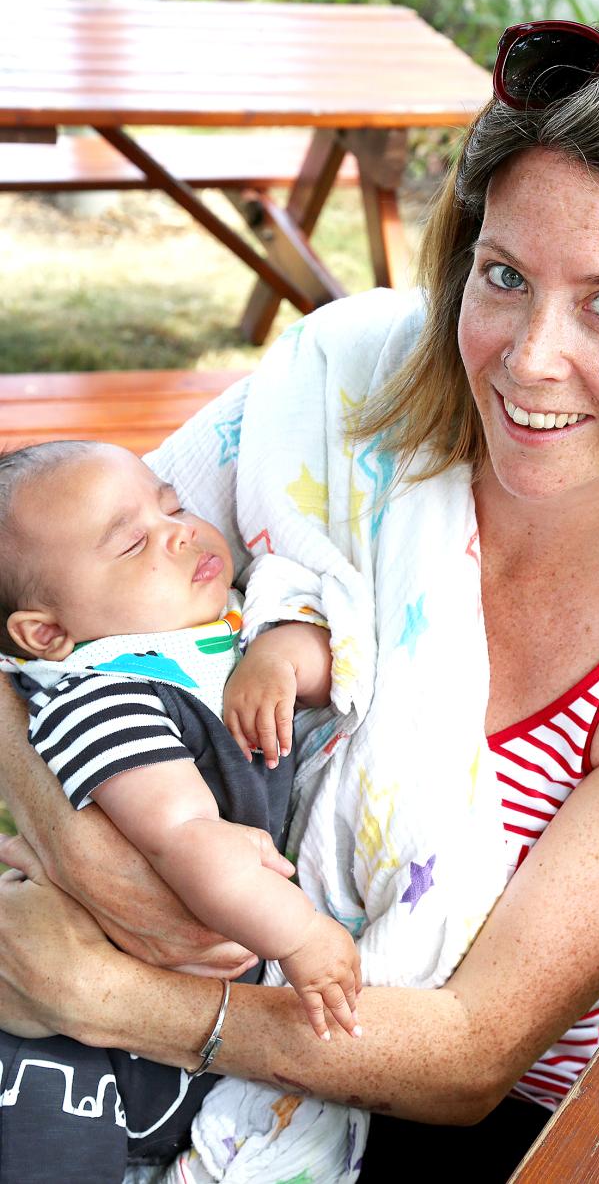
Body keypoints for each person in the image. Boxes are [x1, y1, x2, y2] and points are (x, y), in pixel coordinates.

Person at [0, 16, 599, 1184]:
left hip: (422, 1115)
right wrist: (72, 841)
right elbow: (29, 613)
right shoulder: (349, 387)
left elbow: (471, 1054)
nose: (528, 358)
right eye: (504, 276)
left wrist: (108, 994)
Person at [0, 440, 360, 1177]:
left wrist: (275, 657)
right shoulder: (103, 698)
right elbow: (184, 835)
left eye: (173, 505)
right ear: (48, 633)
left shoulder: (220, 623)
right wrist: (301, 935)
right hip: (55, 1034)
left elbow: (330, 664)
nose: (178, 532)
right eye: (133, 542)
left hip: (157, 1022)